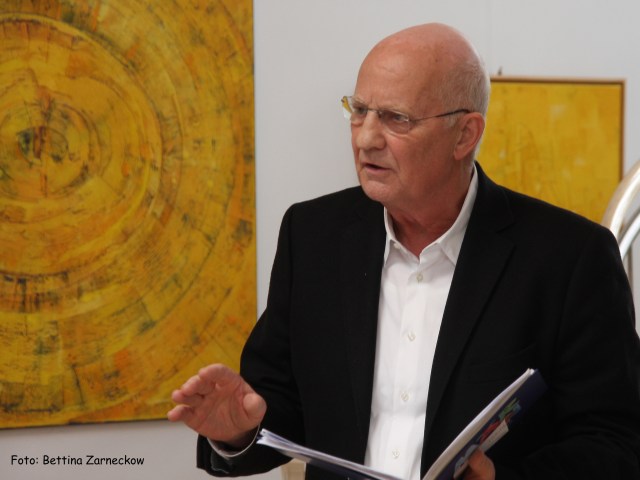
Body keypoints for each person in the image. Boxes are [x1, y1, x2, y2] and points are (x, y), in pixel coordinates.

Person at [168, 23, 640, 480]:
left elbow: (616, 444)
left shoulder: (570, 258)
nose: (365, 138)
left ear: (465, 135)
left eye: (397, 118)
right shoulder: (312, 236)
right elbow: (281, 406)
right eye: (359, 110)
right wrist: (239, 431)